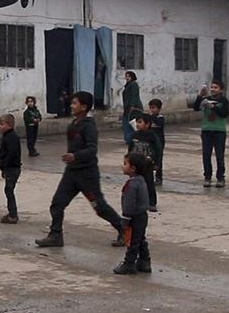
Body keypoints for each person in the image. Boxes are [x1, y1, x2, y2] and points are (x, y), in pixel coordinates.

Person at [35, 91, 125, 248]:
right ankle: (55, 235)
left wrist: (75, 156)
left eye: (74, 103)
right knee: (57, 204)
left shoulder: (89, 127)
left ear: (84, 107)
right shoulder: (73, 124)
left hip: (87, 175)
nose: (71, 106)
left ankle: (123, 229)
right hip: (71, 173)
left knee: (99, 207)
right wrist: (71, 158)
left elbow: (92, 149)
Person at [113, 153, 152, 275]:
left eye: (125, 164)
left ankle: (129, 263)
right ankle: (144, 261)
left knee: (132, 242)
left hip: (133, 217)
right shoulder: (142, 181)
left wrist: (125, 219)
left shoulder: (131, 185)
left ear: (133, 168)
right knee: (140, 239)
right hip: (142, 215)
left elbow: (129, 205)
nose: (123, 166)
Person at [192, 80, 229, 188]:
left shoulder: (224, 101)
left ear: (221, 89)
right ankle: (207, 177)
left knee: (219, 155)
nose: (213, 89)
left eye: (216, 87)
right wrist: (200, 96)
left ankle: (220, 177)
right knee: (206, 155)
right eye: (212, 87)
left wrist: (213, 107)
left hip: (219, 131)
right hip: (206, 130)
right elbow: (196, 108)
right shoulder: (206, 99)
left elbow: (224, 113)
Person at [127, 113, 162, 212]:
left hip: (147, 164)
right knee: (135, 184)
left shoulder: (152, 136)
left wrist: (157, 163)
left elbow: (158, 149)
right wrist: (128, 161)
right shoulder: (135, 135)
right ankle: (137, 202)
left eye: (140, 122)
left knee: (149, 183)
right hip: (136, 165)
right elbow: (130, 148)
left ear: (147, 124)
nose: (137, 124)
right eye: (137, 122)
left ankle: (152, 203)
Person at [0, 114, 22, 224]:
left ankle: (13, 215)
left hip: (12, 168)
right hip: (9, 168)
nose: (0, 127)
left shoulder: (12, 137)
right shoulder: (6, 136)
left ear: (10, 125)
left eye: (2, 124)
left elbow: (12, 154)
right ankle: (12, 213)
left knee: (9, 190)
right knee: (8, 190)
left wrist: (5, 166)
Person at [122, 71, 143, 145]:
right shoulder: (128, 85)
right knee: (127, 123)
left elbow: (134, 95)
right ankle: (129, 139)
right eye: (126, 76)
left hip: (133, 108)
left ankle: (133, 138)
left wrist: (132, 106)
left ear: (132, 77)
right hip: (127, 107)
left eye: (129, 76)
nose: (127, 78)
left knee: (133, 124)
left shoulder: (134, 84)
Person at [148, 99, 166, 185]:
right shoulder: (149, 118)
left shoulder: (160, 118)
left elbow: (159, 124)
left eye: (154, 108)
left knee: (158, 160)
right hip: (150, 141)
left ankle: (159, 177)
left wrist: (151, 117)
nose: (152, 110)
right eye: (150, 108)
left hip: (159, 141)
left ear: (159, 109)